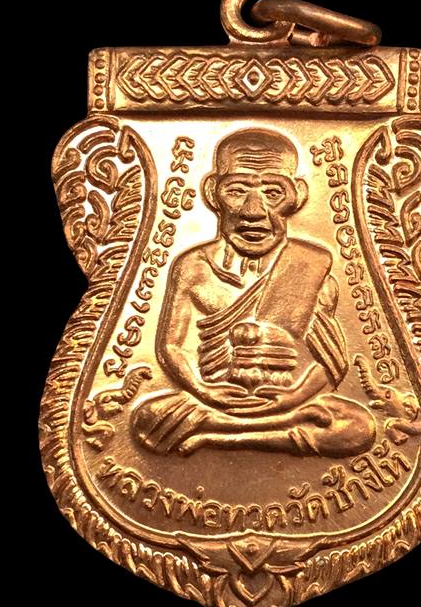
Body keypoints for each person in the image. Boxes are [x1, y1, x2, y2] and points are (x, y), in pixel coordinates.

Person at [131, 128, 375, 457]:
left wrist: (291, 399)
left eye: (273, 192)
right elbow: (171, 347)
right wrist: (204, 391)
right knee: (147, 418)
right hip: (214, 399)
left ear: (297, 196)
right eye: (237, 190)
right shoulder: (193, 266)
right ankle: (265, 430)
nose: (253, 211)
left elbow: (330, 364)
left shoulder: (309, 264)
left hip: (287, 402)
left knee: (357, 427)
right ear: (212, 192)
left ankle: (219, 437)